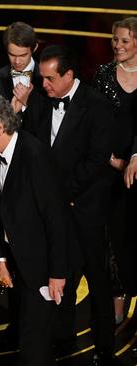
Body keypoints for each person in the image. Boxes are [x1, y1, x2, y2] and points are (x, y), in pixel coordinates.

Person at [23, 45, 115, 365]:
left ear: (69, 75)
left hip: (85, 208)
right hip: (52, 209)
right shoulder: (38, 100)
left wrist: (62, 192)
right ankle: (62, 338)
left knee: (97, 279)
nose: (44, 85)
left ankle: (104, 346)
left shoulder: (98, 106)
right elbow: (31, 147)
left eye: (49, 79)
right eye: (41, 78)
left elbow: (96, 158)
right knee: (59, 274)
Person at [0, 95, 68, 366]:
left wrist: (57, 273)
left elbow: (55, 218)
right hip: (18, 264)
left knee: (36, 344)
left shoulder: (34, 155)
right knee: (27, 338)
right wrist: (2, 261)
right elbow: (5, 214)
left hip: (42, 268)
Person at [93, 17, 137, 327]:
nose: (117, 46)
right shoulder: (103, 74)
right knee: (113, 237)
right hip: (108, 168)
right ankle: (117, 297)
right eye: (115, 40)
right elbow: (93, 122)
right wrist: (110, 159)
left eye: (123, 40)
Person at [0, 22, 44, 113]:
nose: (17, 61)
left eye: (23, 55)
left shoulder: (45, 78)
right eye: (12, 55)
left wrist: (28, 102)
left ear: (35, 48)